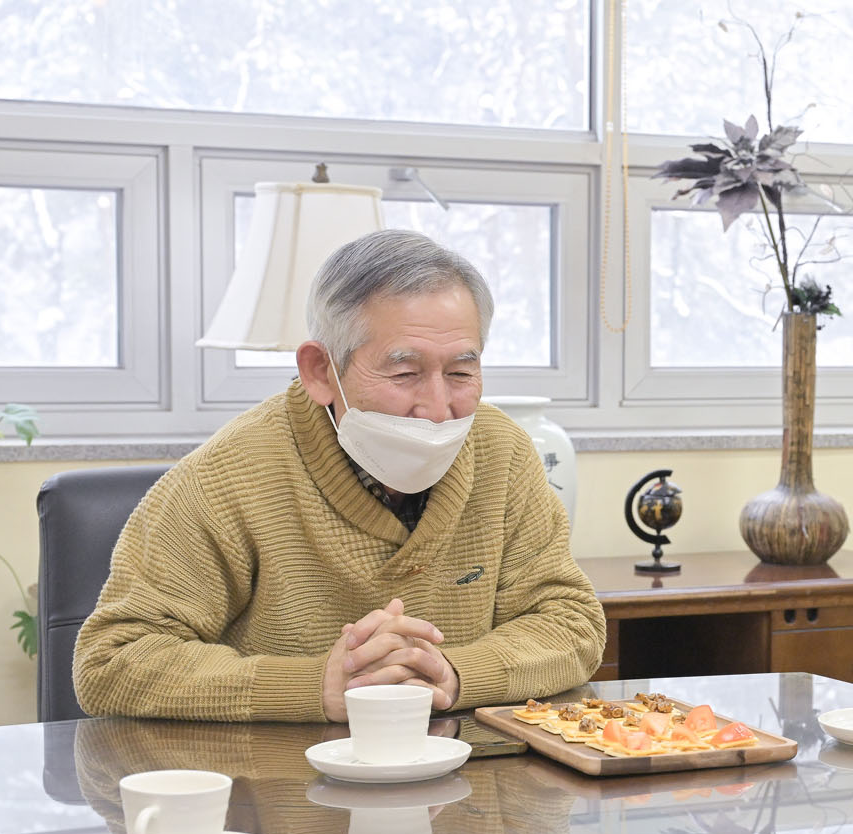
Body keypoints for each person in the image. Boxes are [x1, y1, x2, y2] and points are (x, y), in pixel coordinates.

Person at [75, 230, 607, 722]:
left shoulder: (502, 451)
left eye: (461, 372)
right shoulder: (227, 476)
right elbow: (111, 661)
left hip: (461, 767)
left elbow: (570, 620)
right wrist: (317, 686)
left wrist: (454, 672)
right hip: (278, 777)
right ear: (320, 371)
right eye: (404, 373)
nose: (437, 408)